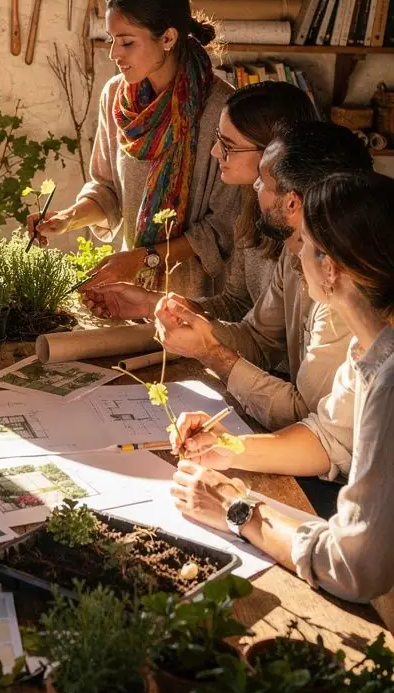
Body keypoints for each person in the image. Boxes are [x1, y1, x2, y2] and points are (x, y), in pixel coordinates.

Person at [170, 172, 394, 611]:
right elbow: (331, 437)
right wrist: (229, 448)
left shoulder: (388, 379)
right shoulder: (367, 346)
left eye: (304, 243)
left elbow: (353, 566)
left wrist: (238, 510)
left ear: (331, 269)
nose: (296, 254)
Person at [31, 0, 238, 299]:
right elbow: (107, 189)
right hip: (131, 292)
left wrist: (144, 258)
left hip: (197, 301)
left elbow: (222, 226)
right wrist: (67, 218)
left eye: (127, 42)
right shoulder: (115, 97)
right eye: (112, 40)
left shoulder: (222, 110)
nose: (114, 54)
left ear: (168, 38)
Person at [154, 121, 371, 431]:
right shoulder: (295, 248)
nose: (255, 188)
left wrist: (210, 352)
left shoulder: (342, 290)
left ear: (292, 202)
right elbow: (259, 339)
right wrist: (200, 328)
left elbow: (305, 417)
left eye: (263, 182)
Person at [81, 79, 316, 322]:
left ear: (274, 152)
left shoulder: (310, 242)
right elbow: (237, 306)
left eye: (229, 146)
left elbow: (273, 343)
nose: (215, 152)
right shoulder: (249, 210)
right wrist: (150, 305)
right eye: (218, 139)